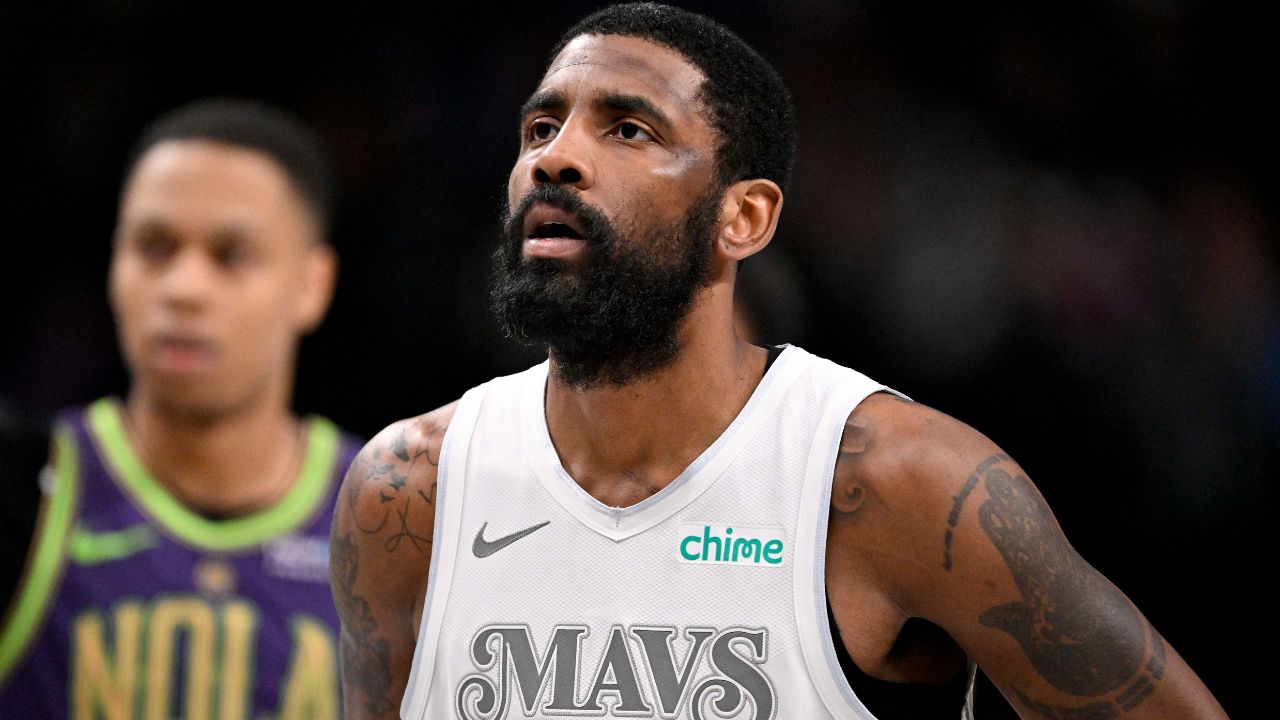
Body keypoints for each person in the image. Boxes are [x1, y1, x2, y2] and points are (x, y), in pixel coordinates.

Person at [330, 4, 1229, 719]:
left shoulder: (901, 485)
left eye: (629, 129)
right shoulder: (410, 489)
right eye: (538, 129)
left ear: (745, 218)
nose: (555, 158)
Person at [0, 97, 362, 719]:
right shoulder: (20, 483)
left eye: (231, 255)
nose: (182, 289)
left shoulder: (396, 517)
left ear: (312, 285)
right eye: (154, 246)